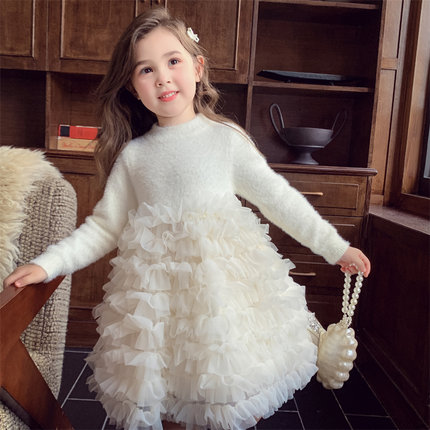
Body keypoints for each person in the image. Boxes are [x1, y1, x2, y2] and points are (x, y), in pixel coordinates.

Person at [4, 8, 371, 430]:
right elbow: (103, 228)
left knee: (231, 395)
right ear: (133, 87)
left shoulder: (225, 140)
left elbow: (280, 200)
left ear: (197, 68)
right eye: (146, 69)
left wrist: (335, 247)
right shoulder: (135, 157)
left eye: (173, 61)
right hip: (161, 310)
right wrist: (47, 264)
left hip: (225, 301)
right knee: (171, 400)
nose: (162, 77)